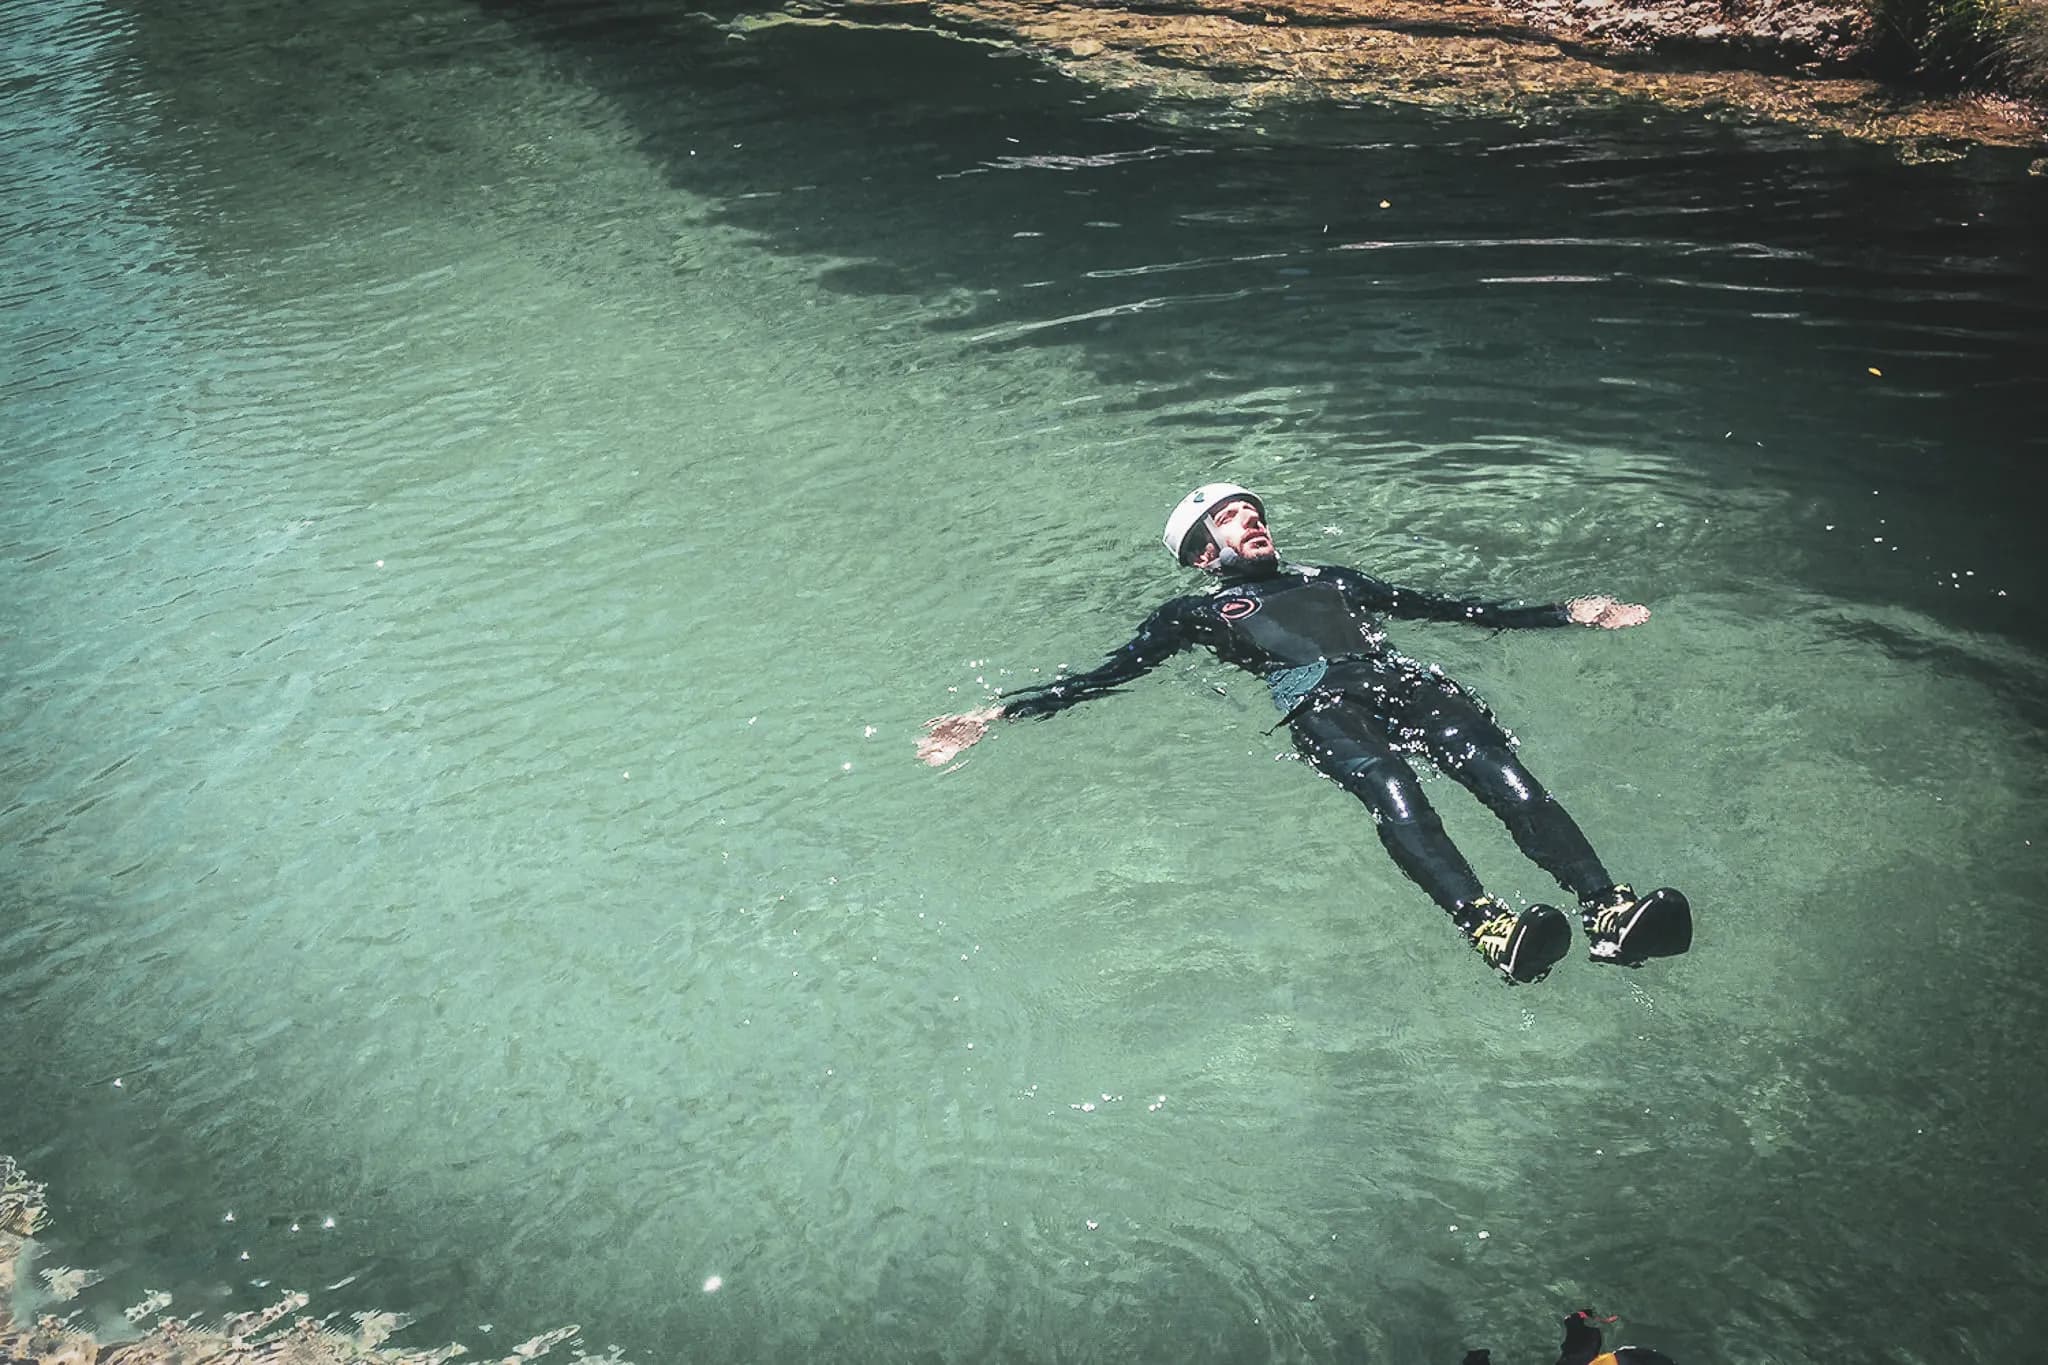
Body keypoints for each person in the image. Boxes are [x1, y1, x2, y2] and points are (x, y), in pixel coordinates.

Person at [917, 482, 1692, 984]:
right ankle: (1486, 924)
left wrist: (1566, 611)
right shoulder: (1193, 614)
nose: (1250, 519)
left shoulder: (1335, 581)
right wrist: (995, 714)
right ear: (1200, 553)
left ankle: (1607, 907)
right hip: (1323, 706)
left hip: (1408, 684)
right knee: (1395, 788)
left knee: (1505, 774)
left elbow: (1457, 607)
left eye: (1252, 510)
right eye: (1228, 518)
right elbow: (1108, 675)